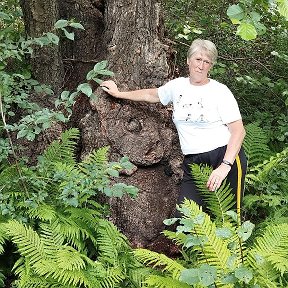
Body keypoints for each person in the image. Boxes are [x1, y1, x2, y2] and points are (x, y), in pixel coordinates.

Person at [100, 38, 247, 217]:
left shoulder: (220, 91)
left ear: (211, 66)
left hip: (224, 157)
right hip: (194, 162)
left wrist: (225, 166)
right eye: (198, 59)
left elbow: (238, 131)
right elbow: (150, 94)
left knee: (228, 217)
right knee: (185, 219)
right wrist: (118, 93)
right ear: (188, 60)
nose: (201, 66)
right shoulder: (177, 86)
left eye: (207, 62)